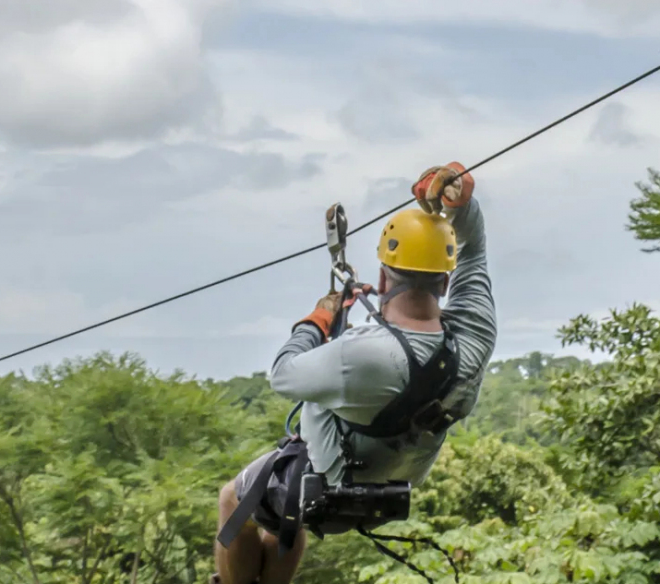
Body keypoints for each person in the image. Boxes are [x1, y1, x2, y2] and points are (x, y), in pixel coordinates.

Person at [213, 161, 497, 584]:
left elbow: (283, 374)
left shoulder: (359, 357)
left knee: (234, 498)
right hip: (394, 485)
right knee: (281, 519)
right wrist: (462, 202)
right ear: (445, 281)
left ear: (383, 279)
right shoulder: (475, 335)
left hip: (333, 483)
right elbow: (473, 248)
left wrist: (318, 320)